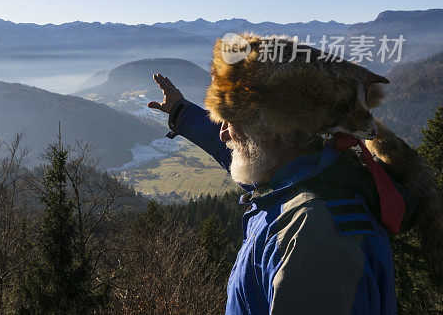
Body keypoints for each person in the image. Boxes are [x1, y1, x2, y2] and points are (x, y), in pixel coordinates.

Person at [147, 33, 442, 315]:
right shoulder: (301, 177)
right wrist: (181, 113)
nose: (223, 133)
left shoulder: (313, 236)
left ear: (272, 128)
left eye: (230, 120)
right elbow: (232, 148)